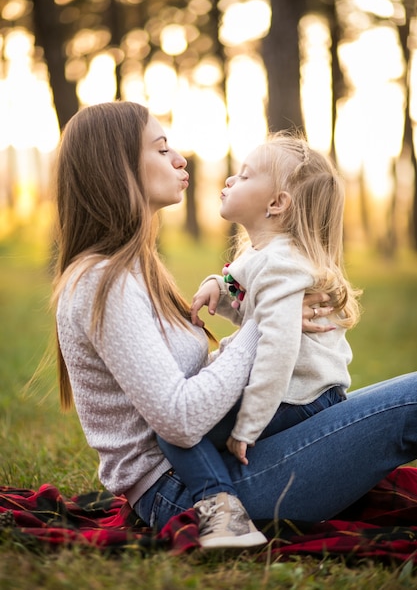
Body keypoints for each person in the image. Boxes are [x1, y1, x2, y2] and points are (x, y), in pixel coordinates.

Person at [53, 101, 417, 553]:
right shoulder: (100, 283)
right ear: (116, 166)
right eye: (162, 149)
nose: (180, 158)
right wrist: (266, 325)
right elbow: (180, 421)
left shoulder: (133, 271)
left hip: (220, 461)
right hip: (193, 495)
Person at [156, 132, 361, 546]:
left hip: (299, 396)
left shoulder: (280, 263)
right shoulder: (263, 254)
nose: (230, 180)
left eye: (245, 176)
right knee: (182, 422)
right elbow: (257, 314)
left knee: (174, 429)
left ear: (277, 204)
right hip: (299, 391)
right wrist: (222, 286)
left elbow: (277, 351)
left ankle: (220, 507)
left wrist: (248, 425)